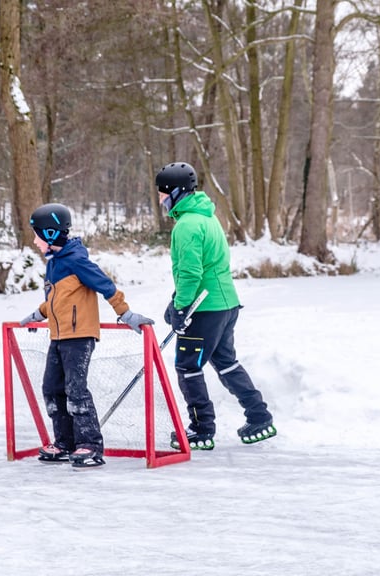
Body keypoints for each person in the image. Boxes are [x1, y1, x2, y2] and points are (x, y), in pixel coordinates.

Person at [20, 203, 155, 469]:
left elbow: (106, 286)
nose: (34, 241)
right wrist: (38, 314)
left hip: (80, 336)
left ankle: (90, 445)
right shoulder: (53, 265)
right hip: (58, 337)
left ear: (49, 234)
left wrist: (125, 313)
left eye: (37, 235)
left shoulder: (77, 261)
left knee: (75, 390)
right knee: (51, 388)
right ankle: (65, 442)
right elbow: (56, 302)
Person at [156, 162, 276, 450]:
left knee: (188, 367)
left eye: (162, 193)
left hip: (204, 308)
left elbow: (190, 273)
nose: (160, 199)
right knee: (225, 362)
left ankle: (201, 429)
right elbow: (205, 267)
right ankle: (259, 416)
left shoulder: (186, 226)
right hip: (226, 305)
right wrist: (176, 302)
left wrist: (182, 307)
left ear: (175, 192)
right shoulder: (208, 218)